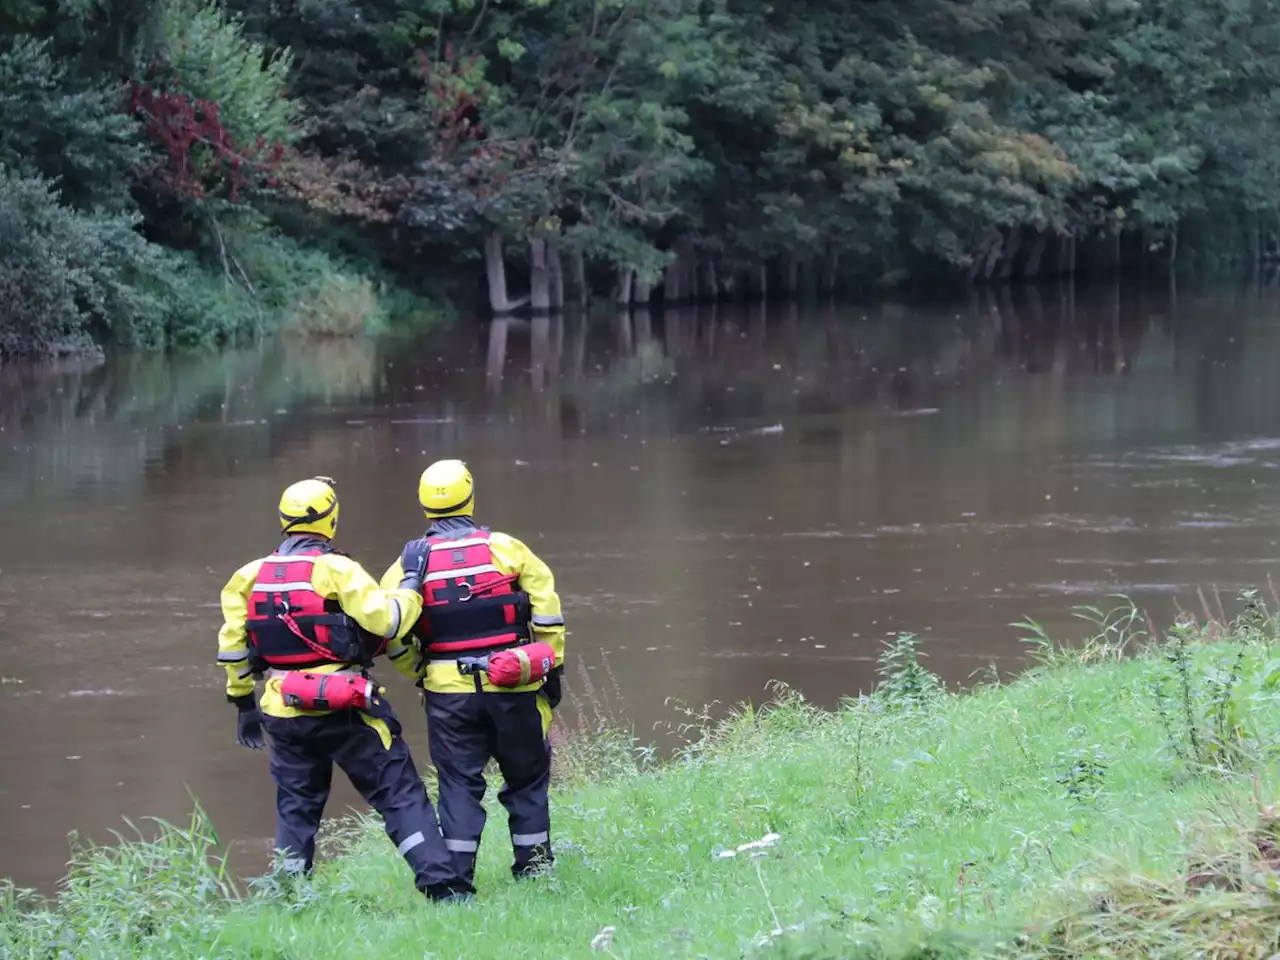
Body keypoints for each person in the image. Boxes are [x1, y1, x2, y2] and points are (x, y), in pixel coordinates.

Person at [215, 476, 473, 902]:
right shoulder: (337, 569)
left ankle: (288, 899)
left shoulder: (248, 576)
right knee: (398, 794)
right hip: (347, 708)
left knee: (296, 809)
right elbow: (388, 622)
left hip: (282, 711)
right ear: (330, 520)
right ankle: (444, 888)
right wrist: (410, 580)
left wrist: (242, 704)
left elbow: (233, 649)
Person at [381, 459, 565, 890]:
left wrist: (421, 672)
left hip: (448, 697)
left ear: (425, 505)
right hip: (514, 685)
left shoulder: (408, 566)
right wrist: (551, 667)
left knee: (458, 787)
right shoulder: (507, 549)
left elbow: (391, 635)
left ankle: (459, 881)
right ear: (470, 496)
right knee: (527, 779)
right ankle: (536, 872)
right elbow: (549, 614)